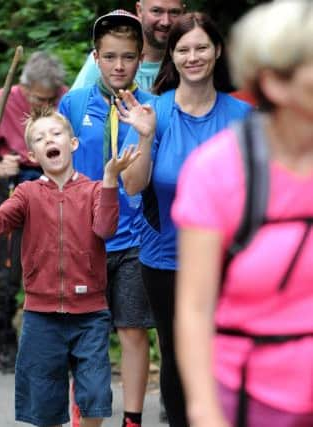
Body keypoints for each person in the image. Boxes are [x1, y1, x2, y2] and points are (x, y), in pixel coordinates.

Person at [171, 1, 313, 426]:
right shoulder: (219, 171)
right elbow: (194, 309)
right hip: (255, 399)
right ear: (275, 83)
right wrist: (204, 411)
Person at [0, 108, 140, 427]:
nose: (50, 139)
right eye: (40, 138)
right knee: (43, 405)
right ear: (32, 154)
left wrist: (112, 179)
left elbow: (105, 229)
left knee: (95, 399)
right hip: (41, 315)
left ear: (72, 143)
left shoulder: (94, 190)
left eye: (56, 134)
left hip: (90, 314)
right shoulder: (26, 193)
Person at [118, 12, 252, 426]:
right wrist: (143, 136)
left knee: (228, 357)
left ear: (217, 51)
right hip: (167, 262)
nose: (193, 56)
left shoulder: (243, 117)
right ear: (172, 57)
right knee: (178, 360)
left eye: (201, 47)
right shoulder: (151, 112)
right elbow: (134, 186)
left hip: (230, 261)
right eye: (183, 49)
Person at [59, 10, 156, 427]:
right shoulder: (74, 102)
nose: (119, 65)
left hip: (135, 236)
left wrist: (145, 132)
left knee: (133, 330)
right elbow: (60, 164)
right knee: (83, 332)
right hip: (86, 236)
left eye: (129, 57)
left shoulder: (151, 105)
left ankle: (132, 419)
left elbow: (139, 181)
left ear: (139, 59)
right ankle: (82, 414)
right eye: (111, 56)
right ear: (95, 57)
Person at [0, 51, 67, 374]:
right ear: (25, 88)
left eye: (49, 100)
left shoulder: (66, 98)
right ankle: (5, 341)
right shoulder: (2, 99)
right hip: (9, 188)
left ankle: (51, 346)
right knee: (6, 273)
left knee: (55, 267)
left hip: (52, 188)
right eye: (38, 98)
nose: (44, 106)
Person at [71, 0, 185, 92]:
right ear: (140, 10)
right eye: (156, 11)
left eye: (174, 12)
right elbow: (70, 113)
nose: (165, 22)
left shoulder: (189, 63)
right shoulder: (103, 61)